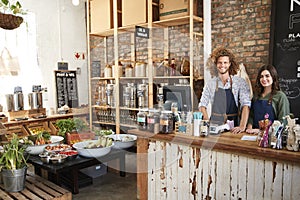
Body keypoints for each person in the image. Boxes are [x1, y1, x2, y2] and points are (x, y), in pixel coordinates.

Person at [199, 47, 251, 134]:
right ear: (215, 64)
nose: (222, 65)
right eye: (220, 62)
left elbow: (246, 105)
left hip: (234, 128)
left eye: (225, 62)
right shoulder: (210, 84)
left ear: (230, 64)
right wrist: (207, 123)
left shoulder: (239, 82)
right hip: (214, 126)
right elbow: (202, 105)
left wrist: (242, 126)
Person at [246, 64, 290, 134]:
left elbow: (283, 121)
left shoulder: (280, 96)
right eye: (261, 76)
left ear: (273, 77)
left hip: (271, 136)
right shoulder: (256, 96)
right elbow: (251, 115)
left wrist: (262, 131)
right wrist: (249, 128)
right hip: (253, 134)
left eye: (267, 76)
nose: (264, 79)